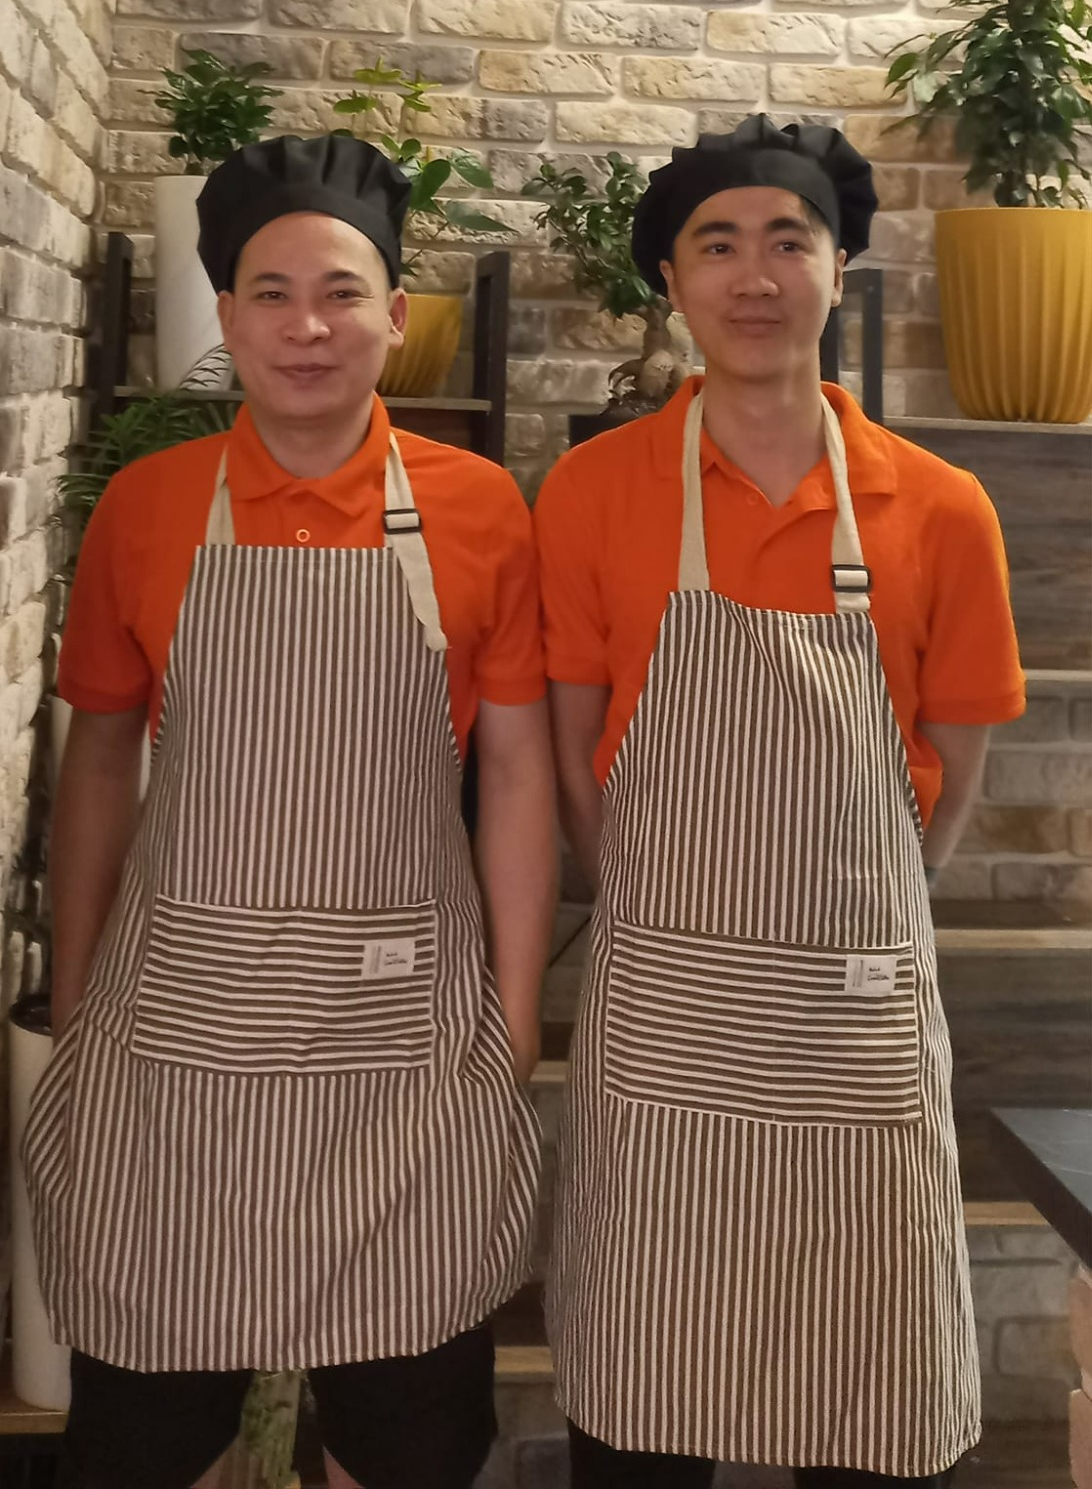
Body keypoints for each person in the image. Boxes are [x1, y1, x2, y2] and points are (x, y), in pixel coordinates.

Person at [27, 133, 557, 1489]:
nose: (307, 326)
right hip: (178, 1050)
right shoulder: (146, 509)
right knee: (142, 1434)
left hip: (404, 1052)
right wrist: (77, 995)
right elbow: (100, 759)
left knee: (412, 1437)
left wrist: (510, 1013)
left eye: (341, 292)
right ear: (227, 314)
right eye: (270, 293)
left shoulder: (481, 509)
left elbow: (514, 772)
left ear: (396, 314)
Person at [534, 118, 1025, 1488]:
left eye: (788, 242)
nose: (755, 276)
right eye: (718, 245)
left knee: (868, 1410)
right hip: (665, 1034)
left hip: (854, 1031)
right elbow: (574, 756)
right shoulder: (592, 491)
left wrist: (864, 912)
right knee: (643, 1412)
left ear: (839, 266)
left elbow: (954, 765)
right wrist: (662, 911)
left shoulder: (944, 509)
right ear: (673, 281)